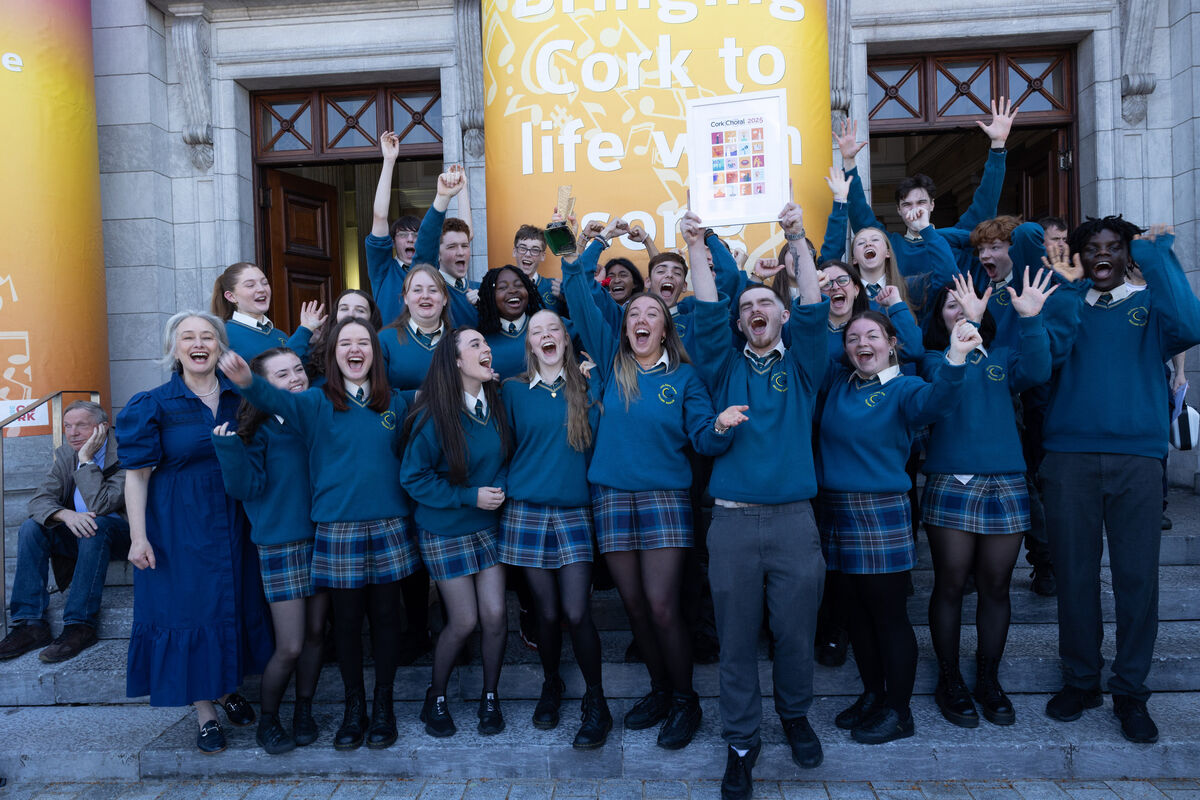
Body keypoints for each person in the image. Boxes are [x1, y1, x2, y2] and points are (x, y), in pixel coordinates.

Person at [562, 224, 744, 751]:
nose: (642, 320)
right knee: (635, 606)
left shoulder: (684, 379)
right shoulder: (612, 360)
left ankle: (685, 699)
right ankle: (660, 689)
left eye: (653, 316)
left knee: (664, 606)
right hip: (612, 499)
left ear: (666, 329)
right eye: (635, 314)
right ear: (625, 326)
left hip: (666, 501)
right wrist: (588, 247)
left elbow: (702, 440)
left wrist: (722, 426)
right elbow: (576, 287)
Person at [220, 318, 419, 752]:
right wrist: (246, 381)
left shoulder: (395, 404)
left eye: (363, 342)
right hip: (337, 528)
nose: (355, 348)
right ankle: (354, 709)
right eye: (344, 342)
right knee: (345, 625)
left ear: (374, 352)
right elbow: (273, 397)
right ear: (331, 356)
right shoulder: (313, 402)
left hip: (388, 525)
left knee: (386, 620)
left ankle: (383, 707)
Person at [684, 203, 828, 796]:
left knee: (795, 634)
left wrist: (797, 239)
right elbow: (707, 310)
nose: (753, 310)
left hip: (796, 522)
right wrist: (695, 245)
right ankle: (742, 742)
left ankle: (794, 716)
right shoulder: (720, 370)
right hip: (734, 525)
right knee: (737, 640)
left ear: (782, 314)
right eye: (747, 307)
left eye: (764, 302)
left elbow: (817, 308)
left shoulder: (804, 365)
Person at [1039, 219, 1200, 744]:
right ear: (1081, 256)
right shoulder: (1068, 303)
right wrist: (1066, 288)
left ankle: (1130, 690)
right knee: (1075, 578)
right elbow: (1049, 359)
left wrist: (1157, 255)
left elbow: (1189, 324)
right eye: (1093, 249)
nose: (1102, 256)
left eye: (1113, 249)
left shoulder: (1148, 304)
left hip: (1136, 461)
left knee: (1137, 581)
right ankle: (1082, 680)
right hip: (1069, 460)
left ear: (1125, 255)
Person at [817, 310, 977, 745]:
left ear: (892, 344)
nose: (861, 344)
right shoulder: (840, 384)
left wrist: (957, 358)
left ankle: (899, 711)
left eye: (872, 336)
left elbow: (938, 403)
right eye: (853, 338)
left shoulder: (904, 387)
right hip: (837, 511)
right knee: (855, 615)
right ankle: (872, 694)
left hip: (880, 511)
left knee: (887, 617)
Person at [118, 311, 272, 755]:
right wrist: (138, 536)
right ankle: (205, 711)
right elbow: (137, 477)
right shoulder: (152, 403)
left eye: (208, 336)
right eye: (188, 337)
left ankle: (226, 689)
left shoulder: (238, 399)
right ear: (175, 347)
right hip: (177, 527)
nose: (198, 343)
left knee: (231, 606)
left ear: (221, 347)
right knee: (189, 615)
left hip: (234, 522)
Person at [920, 270, 1053, 729]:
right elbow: (942, 392)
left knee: (996, 585)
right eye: (952, 305)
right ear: (940, 317)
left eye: (970, 303)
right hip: (950, 482)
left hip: (1005, 483)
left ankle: (989, 679)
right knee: (951, 583)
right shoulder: (934, 361)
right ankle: (950, 678)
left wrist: (1031, 321)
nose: (963, 310)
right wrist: (962, 342)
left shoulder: (1000, 357)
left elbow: (1038, 370)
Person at [498, 309, 611, 747]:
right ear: (529, 344)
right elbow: (500, 447)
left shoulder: (584, 386)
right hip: (526, 511)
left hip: (573, 513)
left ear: (565, 339)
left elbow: (600, 440)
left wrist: (596, 381)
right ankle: (551, 683)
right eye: (536, 331)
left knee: (577, 612)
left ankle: (596, 700)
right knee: (544, 613)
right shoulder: (511, 391)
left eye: (553, 330)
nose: (545, 336)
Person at [212, 348, 329, 755]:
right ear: (261, 385)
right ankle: (270, 718)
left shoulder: (316, 417)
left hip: (325, 539)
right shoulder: (258, 432)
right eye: (282, 374)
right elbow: (245, 489)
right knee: (292, 643)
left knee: (316, 636)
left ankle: (303, 711)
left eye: (298, 369)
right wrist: (228, 451)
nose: (296, 378)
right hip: (281, 545)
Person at [400, 329, 511, 738]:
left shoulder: (495, 403)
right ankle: (437, 695)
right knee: (464, 621)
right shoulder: (433, 415)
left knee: (497, 616)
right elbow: (413, 477)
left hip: (487, 525)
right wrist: (469, 496)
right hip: (445, 528)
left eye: (486, 343)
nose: (486, 349)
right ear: (456, 362)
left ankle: (490, 697)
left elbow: (505, 456)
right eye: (475, 345)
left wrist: (497, 487)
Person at [0, 402, 128, 663]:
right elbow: (39, 501)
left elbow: (101, 505)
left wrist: (86, 460)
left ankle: (79, 624)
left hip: (123, 535)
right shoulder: (66, 453)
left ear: (102, 428)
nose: (72, 433)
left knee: (97, 524)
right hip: (83, 533)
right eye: (68, 426)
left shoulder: (125, 452)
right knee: (31, 527)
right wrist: (65, 514)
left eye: (81, 425)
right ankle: (30, 623)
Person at [968, 216, 1057, 595]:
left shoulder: (1032, 286)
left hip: (1028, 398)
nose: (986, 254)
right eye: (981, 249)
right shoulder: (978, 288)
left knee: (1028, 483)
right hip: (987, 398)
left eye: (995, 247)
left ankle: (1045, 562)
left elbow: (1029, 234)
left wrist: (1019, 239)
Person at [837, 101, 1016, 278]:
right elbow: (861, 215)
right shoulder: (891, 245)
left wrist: (998, 145)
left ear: (932, 205)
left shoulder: (955, 238)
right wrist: (849, 162)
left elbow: (985, 202)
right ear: (899, 210)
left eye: (921, 202)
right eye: (907, 204)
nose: (915, 209)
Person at [377, 263, 454, 663]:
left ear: (444, 297)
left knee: (443, 538)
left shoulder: (458, 341)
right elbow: (375, 394)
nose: (425, 296)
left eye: (433, 290)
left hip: (454, 453)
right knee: (408, 542)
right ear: (404, 298)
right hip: (401, 450)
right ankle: (415, 628)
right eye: (416, 290)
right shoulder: (387, 340)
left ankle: (452, 628)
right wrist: (422, 395)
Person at [210, 262, 325, 361]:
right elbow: (277, 370)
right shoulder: (223, 335)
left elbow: (297, 372)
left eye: (265, 283)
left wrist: (312, 344)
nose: (261, 289)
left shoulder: (280, 335)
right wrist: (304, 332)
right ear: (231, 297)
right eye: (250, 285)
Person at [413, 165, 479, 326]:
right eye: (451, 247)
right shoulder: (432, 288)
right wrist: (443, 197)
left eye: (465, 246)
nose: (460, 252)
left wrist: (462, 187)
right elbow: (426, 240)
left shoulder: (480, 290)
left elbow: (467, 234)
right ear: (438, 253)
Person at [367, 131, 421, 324]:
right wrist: (389, 161)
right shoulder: (383, 269)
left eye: (416, 235)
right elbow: (380, 216)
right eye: (403, 234)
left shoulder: (431, 269)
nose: (410, 239)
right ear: (392, 241)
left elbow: (466, 237)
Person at [476, 265, 546, 380]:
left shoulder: (550, 328)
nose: (513, 290)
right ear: (490, 296)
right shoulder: (481, 341)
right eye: (503, 287)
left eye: (519, 285)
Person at [511, 225, 566, 315]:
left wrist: (567, 300)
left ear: (543, 256)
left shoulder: (554, 288)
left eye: (535, 250)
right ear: (514, 251)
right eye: (523, 248)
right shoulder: (501, 286)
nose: (528, 254)